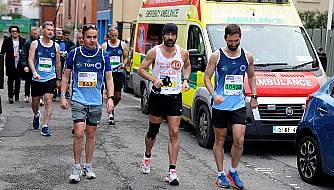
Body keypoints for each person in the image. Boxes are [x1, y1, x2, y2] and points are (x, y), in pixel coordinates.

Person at [203, 24, 257, 190]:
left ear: (240, 38)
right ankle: (220, 174)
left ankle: (232, 171)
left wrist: (254, 96)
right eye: (231, 40)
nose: (233, 43)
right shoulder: (216, 56)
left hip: (238, 104)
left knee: (239, 140)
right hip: (220, 105)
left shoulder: (247, 56)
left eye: (236, 40)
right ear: (225, 38)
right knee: (219, 140)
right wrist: (214, 95)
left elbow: (251, 76)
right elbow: (206, 78)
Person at [60, 23, 114, 183]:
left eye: (95, 37)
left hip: (95, 101)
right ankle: (76, 167)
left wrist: (110, 98)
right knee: (78, 133)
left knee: (91, 134)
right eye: (89, 37)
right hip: (78, 99)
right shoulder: (74, 54)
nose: (92, 40)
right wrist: (63, 96)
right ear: (82, 38)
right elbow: (65, 76)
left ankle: (88, 166)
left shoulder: (103, 55)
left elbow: (109, 78)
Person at [138, 23, 191, 186]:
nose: (170, 37)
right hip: (158, 96)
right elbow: (141, 69)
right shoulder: (155, 51)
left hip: (175, 97)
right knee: (153, 131)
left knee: (174, 132)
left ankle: (172, 171)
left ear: (176, 36)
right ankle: (147, 156)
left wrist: (186, 80)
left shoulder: (183, 53)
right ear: (163, 35)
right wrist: (154, 79)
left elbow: (188, 67)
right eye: (167, 34)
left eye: (172, 35)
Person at [28, 21, 61, 136]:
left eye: (52, 30)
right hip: (37, 77)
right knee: (35, 102)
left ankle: (45, 126)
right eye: (48, 29)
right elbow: (30, 60)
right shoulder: (35, 44)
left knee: (48, 99)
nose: (51, 32)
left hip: (50, 77)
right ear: (43, 30)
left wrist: (58, 78)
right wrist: (34, 72)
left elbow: (57, 63)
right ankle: (36, 114)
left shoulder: (56, 46)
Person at [101, 27, 129, 126]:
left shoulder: (122, 45)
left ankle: (111, 108)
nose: (114, 37)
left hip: (118, 72)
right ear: (109, 35)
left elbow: (126, 57)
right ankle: (111, 114)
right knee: (109, 94)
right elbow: (101, 58)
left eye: (116, 35)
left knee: (118, 96)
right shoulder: (104, 46)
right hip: (108, 73)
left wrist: (124, 64)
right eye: (112, 35)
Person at [0, 25, 26, 103]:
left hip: (19, 63)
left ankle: (17, 95)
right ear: (10, 32)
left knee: (18, 80)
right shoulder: (6, 40)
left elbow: (25, 52)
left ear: (18, 32)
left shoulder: (23, 40)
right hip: (10, 63)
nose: (14, 33)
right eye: (12, 31)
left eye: (15, 31)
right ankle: (10, 96)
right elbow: (2, 52)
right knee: (10, 80)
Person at [20, 26, 39, 103]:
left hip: (38, 65)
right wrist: (25, 65)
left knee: (38, 81)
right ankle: (27, 95)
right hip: (29, 64)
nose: (35, 35)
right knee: (28, 81)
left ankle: (39, 97)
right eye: (34, 34)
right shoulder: (28, 42)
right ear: (31, 33)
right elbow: (24, 54)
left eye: (36, 33)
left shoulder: (40, 41)